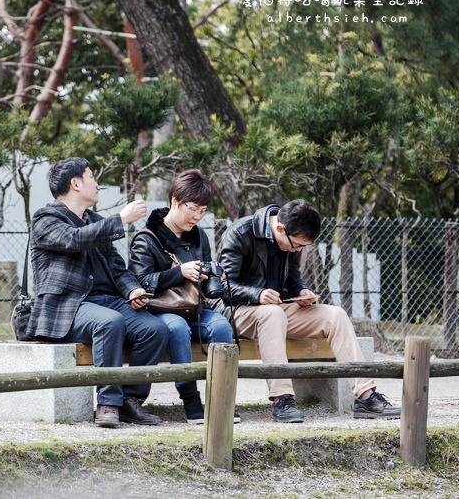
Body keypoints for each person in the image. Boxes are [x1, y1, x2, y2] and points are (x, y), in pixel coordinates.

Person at [214, 199, 400, 422]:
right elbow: (222, 287)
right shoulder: (240, 232)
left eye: (302, 247)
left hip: (277, 310)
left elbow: (293, 278)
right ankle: (282, 399)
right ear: (280, 228)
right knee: (272, 314)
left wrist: (302, 291)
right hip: (237, 311)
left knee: (335, 315)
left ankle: (366, 397)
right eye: (296, 246)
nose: (297, 250)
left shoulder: (292, 239)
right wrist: (257, 294)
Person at [26, 157, 169, 428]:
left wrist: (132, 289)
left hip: (109, 302)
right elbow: (74, 239)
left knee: (155, 329)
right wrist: (122, 219)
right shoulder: (46, 218)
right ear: (76, 183)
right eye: (92, 177)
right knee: (109, 322)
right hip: (68, 307)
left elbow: (117, 268)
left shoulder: (96, 221)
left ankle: (131, 402)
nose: (97, 183)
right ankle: (108, 403)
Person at [128, 170, 236, 425]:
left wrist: (212, 278)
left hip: (195, 308)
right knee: (176, 328)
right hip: (160, 310)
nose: (198, 217)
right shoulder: (147, 238)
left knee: (221, 324)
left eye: (203, 211)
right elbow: (140, 282)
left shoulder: (199, 235)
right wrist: (178, 272)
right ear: (175, 200)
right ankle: (190, 399)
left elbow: (206, 269)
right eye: (193, 209)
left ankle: (222, 398)